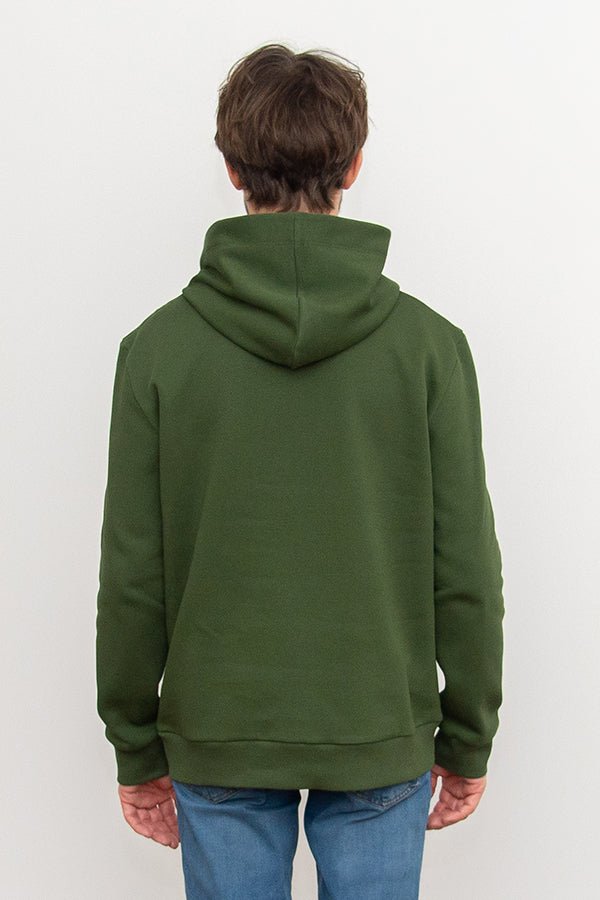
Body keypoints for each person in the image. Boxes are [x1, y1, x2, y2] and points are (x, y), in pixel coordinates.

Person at [95, 42, 505, 899]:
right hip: (377, 726)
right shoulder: (430, 349)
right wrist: (468, 735)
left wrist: (136, 745)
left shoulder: (158, 351)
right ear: (353, 166)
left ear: (231, 166)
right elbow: (464, 566)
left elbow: (135, 574)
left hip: (219, 730)